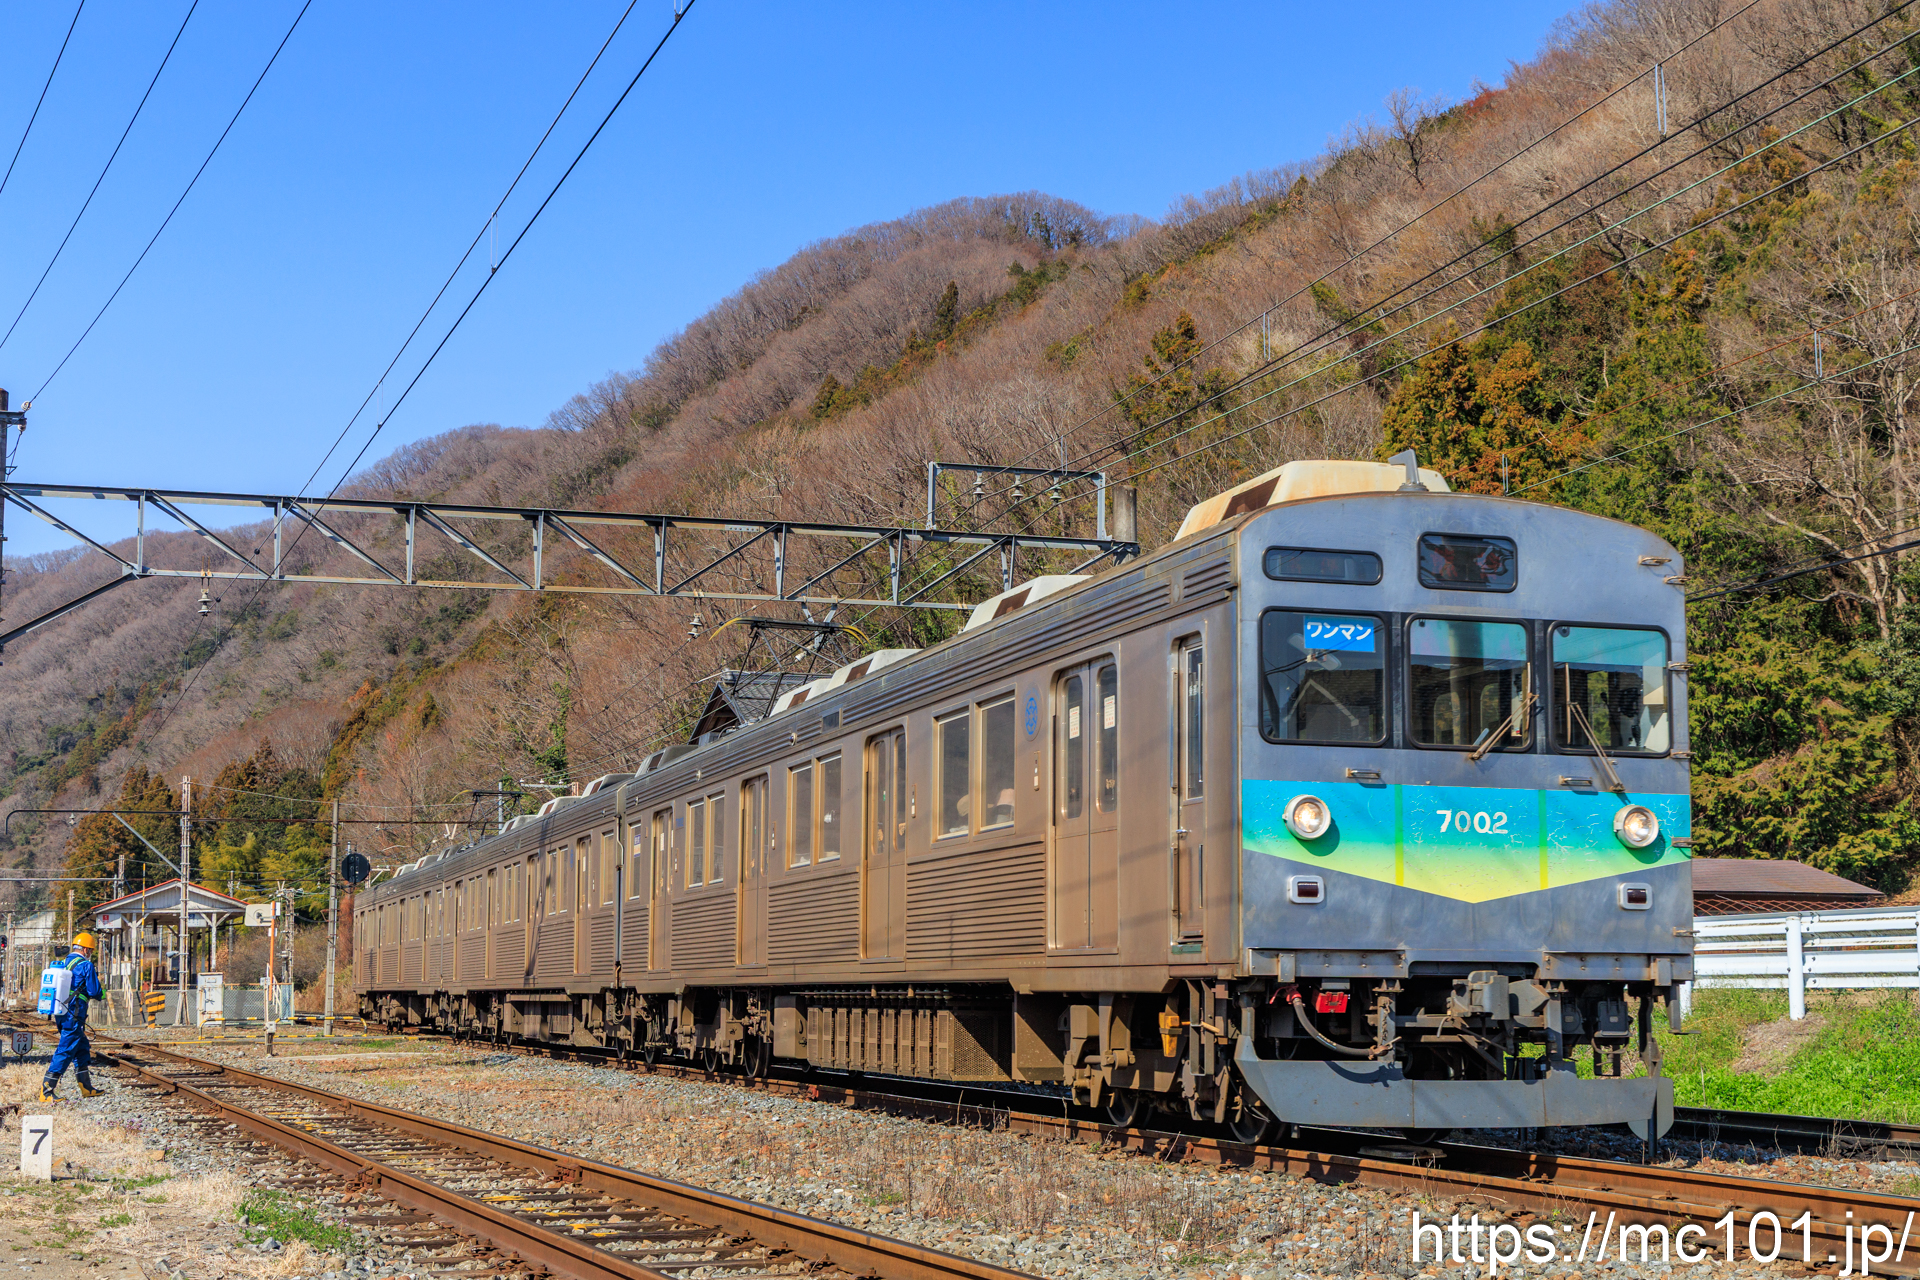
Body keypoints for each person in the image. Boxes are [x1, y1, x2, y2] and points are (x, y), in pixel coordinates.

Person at [41, 932, 103, 1101]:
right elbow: (94, 991)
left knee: (82, 1047)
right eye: (89, 950)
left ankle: (86, 1087)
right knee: (66, 1049)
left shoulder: (64, 963)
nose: (89, 953)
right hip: (74, 1014)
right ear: (85, 949)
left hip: (62, 1012)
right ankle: (46, 1091)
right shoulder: (86, 965)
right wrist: (101, 993)